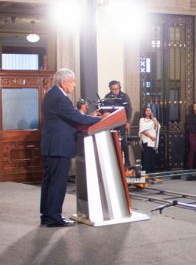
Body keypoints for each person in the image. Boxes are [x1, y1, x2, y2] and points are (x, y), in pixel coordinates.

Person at [40, 68, 101, 227]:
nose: (74, 85)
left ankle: (47, 215)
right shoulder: (59, 97)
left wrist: (89, 117)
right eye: (72, 82)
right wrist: (101, 120)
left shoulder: (51, 94)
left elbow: (71, 117)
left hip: (52, 146)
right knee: (57, 183)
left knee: (49, 182)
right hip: (59, 147)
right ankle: (54, 218)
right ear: (63, 82)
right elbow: (76, 118)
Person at [103, 80, 133, 167]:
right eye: (113, 89)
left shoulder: (124, 96)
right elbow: (105, 110)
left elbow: (129, 110)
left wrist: (128, 122)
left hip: (122, 123)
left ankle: (127, 163)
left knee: (123, 142)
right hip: (111, 124)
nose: (116, 91)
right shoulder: (107, 97)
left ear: (120, 87)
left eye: (117, 88)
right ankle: (114, 163)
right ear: (110, 89)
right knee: (112, 142)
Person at [138, 105, 160, 173]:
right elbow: (143, 130)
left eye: (149, 110)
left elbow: (157, 126)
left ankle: (152, 173)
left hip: (153, 142)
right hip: (146, 141)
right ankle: (146, 174)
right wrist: (151, 137)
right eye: (146, 110)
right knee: (146, 158)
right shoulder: (142, 120)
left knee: (152, 158)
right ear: (144, 112)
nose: (148, 112)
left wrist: (153, 118)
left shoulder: (153, 119)